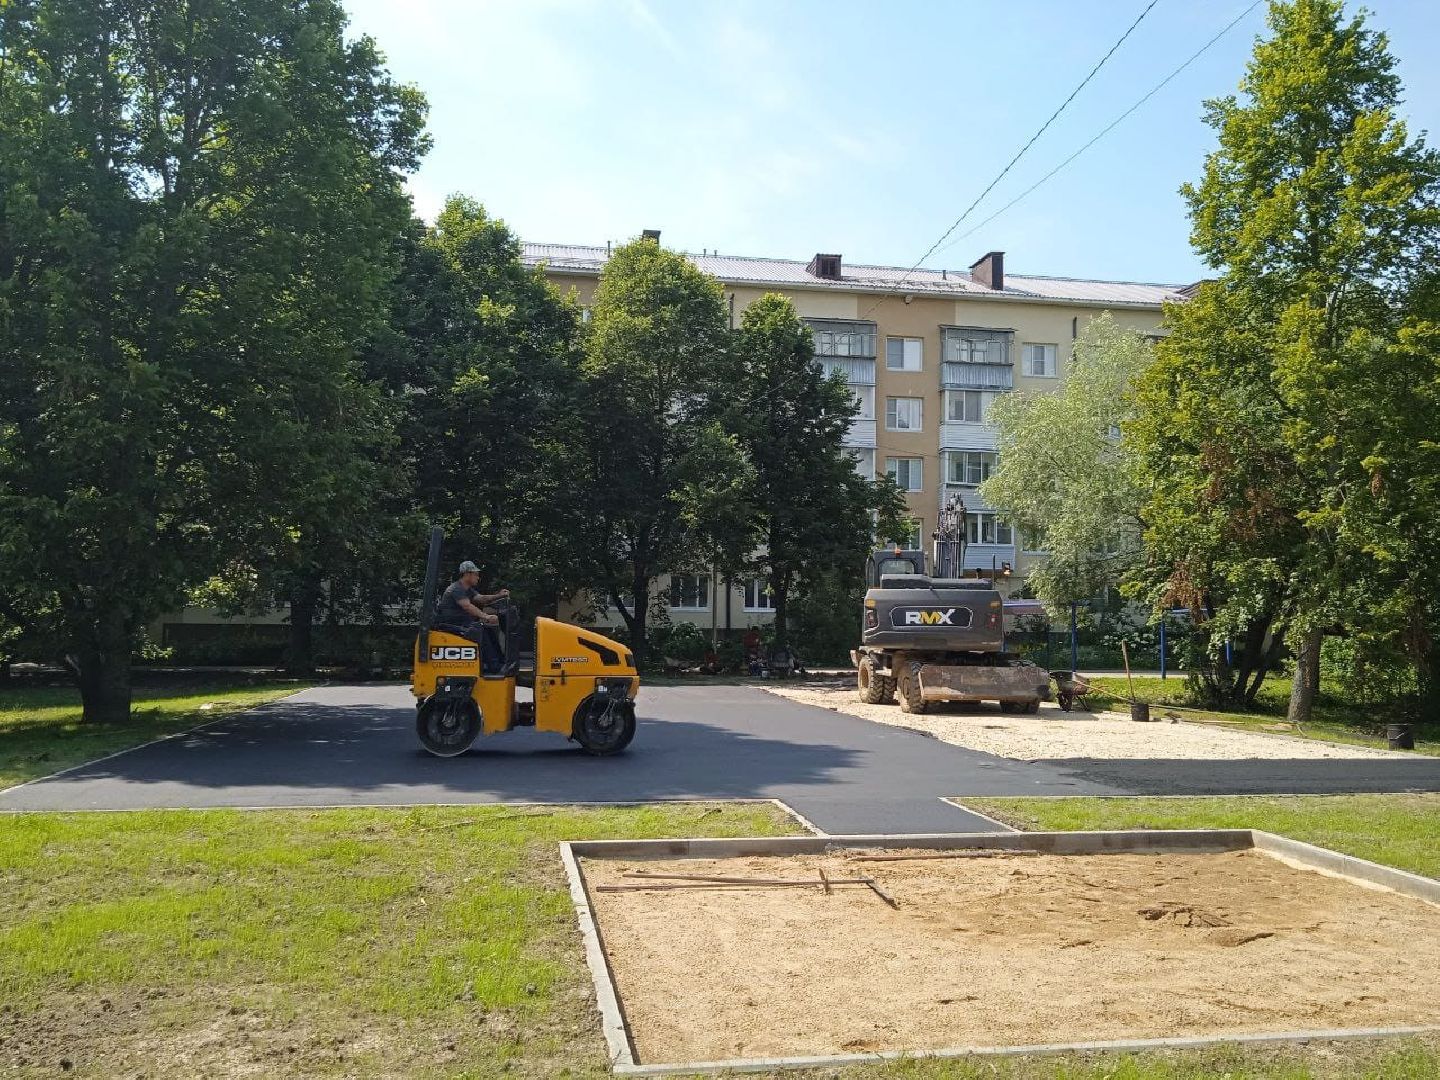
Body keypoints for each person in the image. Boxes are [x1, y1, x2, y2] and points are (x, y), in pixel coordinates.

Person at [435, 561, 510, 672]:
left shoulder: (467, 589)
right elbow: (467, 606)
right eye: (476, 574)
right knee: (480, 632)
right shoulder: (456, 589)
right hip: (454, 625)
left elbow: (482, 599)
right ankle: (494, 667)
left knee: (488, 630)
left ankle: (499, 662)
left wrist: (499, 595)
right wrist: (486, 617)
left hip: (461, 623)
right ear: (467, 574)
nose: (478, 577)